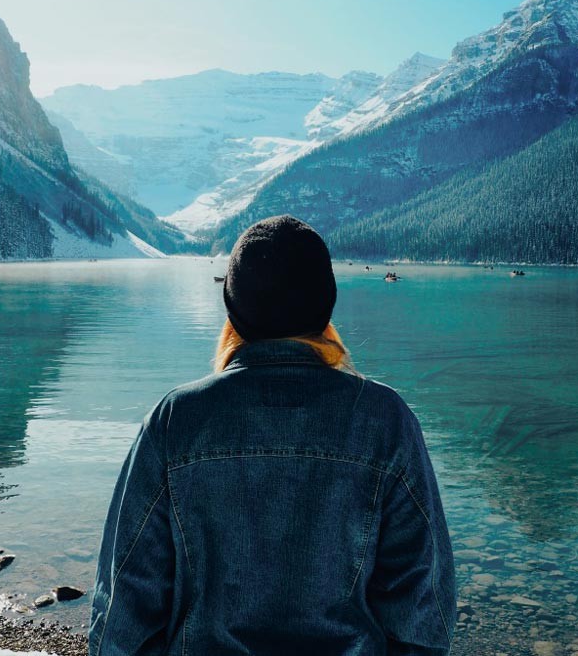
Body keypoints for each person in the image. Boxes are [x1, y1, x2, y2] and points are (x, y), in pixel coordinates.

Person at [90, 215, 455, 656]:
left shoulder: (175, 422)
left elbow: (121, 622)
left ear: (234, 313)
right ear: (326, 308)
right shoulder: (386, 422)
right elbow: (423, 619)